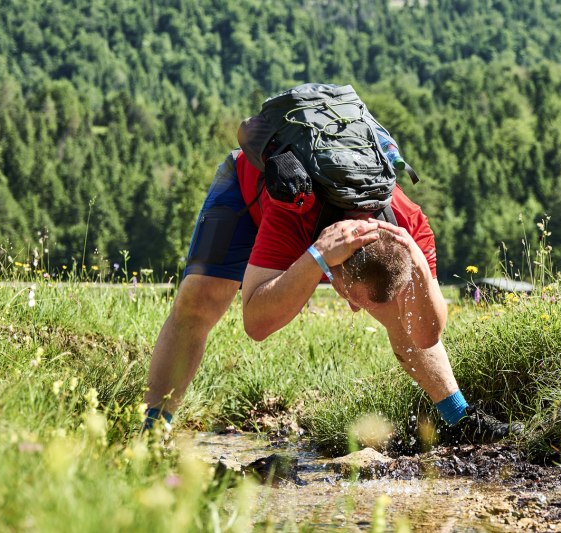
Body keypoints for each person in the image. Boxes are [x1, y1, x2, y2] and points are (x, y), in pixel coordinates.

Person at [141, 111, 518, 445]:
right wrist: (315, 257)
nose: (353, 309)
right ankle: (153, 431)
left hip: (352, 236)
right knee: (199, 302)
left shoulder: (411, 224)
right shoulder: (293, 211)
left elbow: (426, 333)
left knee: (403, 311)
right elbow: (256, 323)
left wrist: (417, 263)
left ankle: (460, 419)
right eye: (351, 296)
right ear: (335, 271)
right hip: (252, 188)